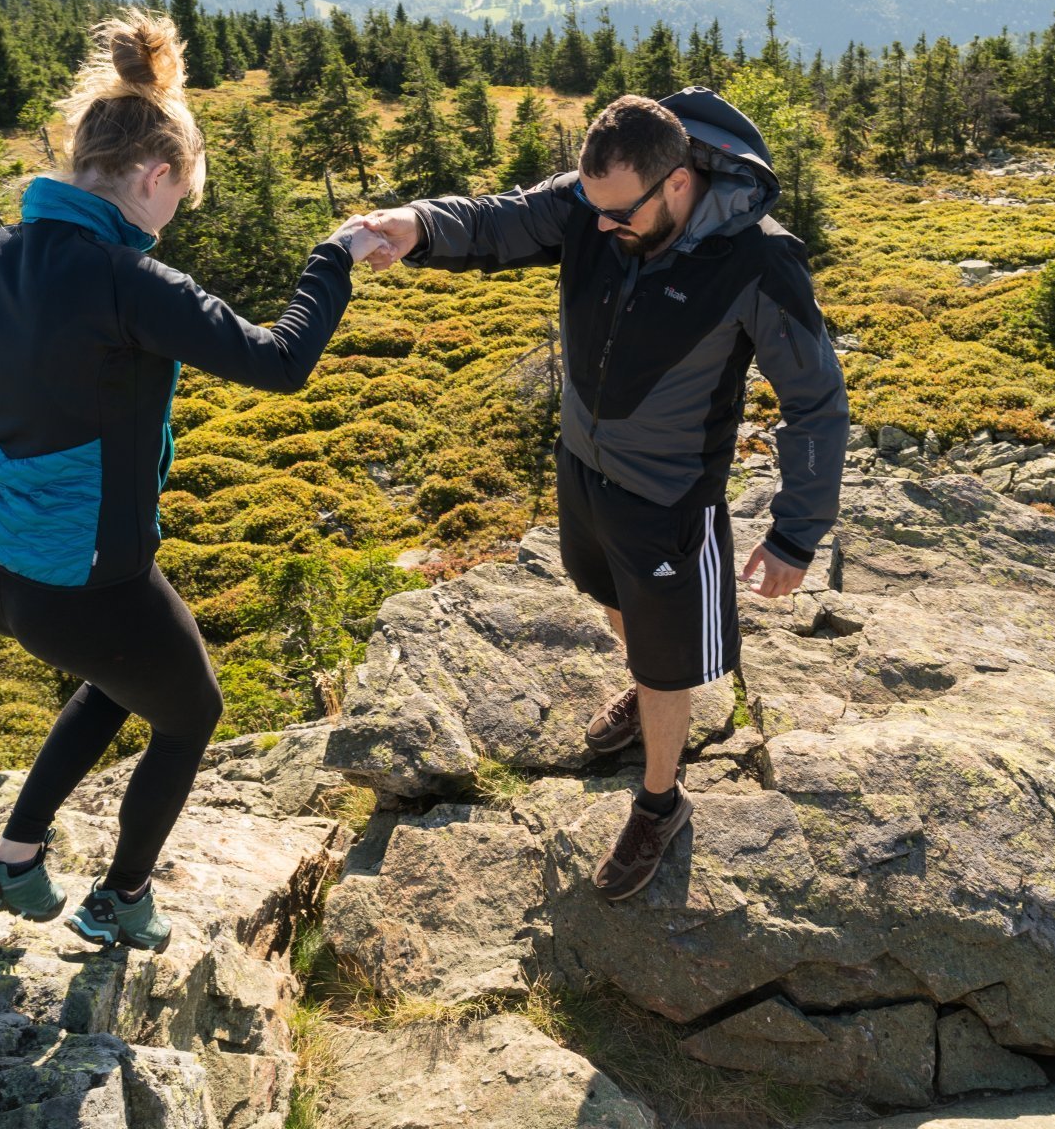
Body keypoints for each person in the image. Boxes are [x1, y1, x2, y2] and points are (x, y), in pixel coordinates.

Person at [0, 6, 383, 951]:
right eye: (178, 199)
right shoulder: (131, 281)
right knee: (192, 709)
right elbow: (281, 363)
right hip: (84, 573)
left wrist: (32, 416)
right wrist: (335, 258)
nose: (171, 221)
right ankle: (120, 900)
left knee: (121, 683)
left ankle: (11, 861)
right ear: (154, 175)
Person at [351, 89, 847, 899]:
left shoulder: (757, 261)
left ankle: (661, 798)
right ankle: (646, 679)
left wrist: (797, 533)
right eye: (591, 205)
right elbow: (495, 219)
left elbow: (815, 400)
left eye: (619, 213)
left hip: (667, 498)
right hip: (582, 469)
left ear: (678, 182)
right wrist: (416, 224)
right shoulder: (597, 202)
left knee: (664, 661)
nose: (600, 225)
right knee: (600, 592)